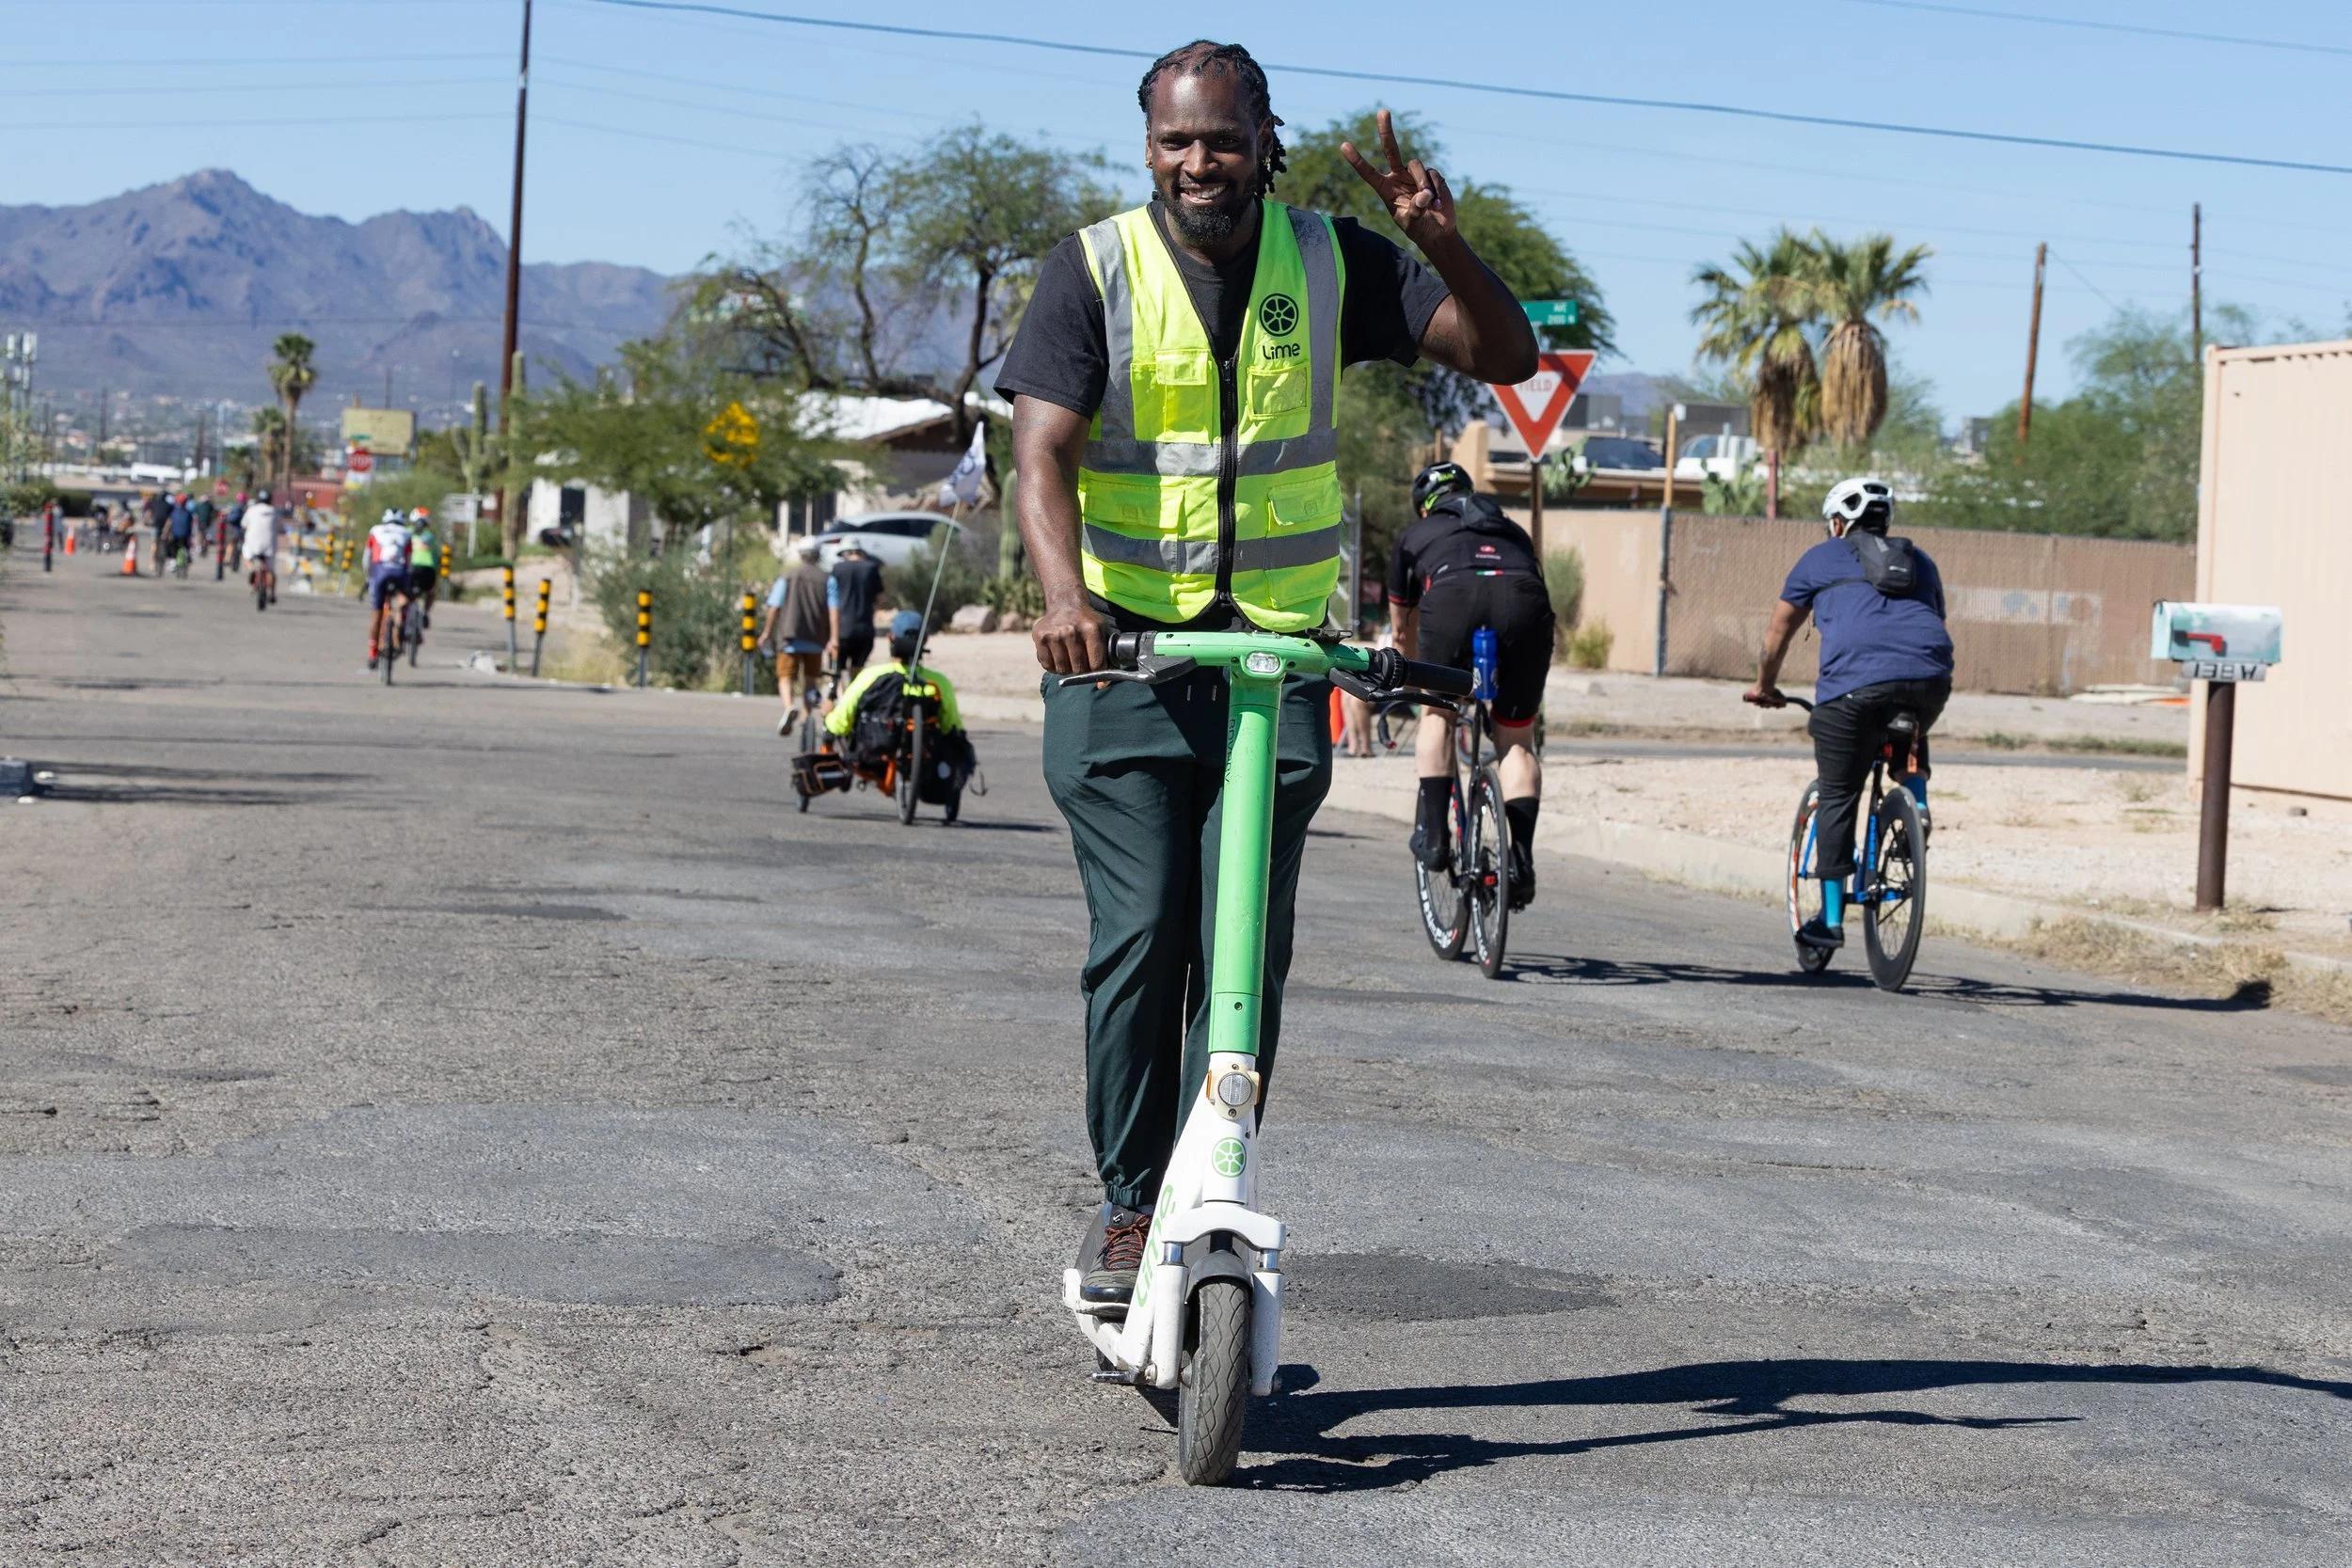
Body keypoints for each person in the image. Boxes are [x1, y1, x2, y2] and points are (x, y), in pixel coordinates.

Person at [998, 39, 1538, 1307]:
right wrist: (1065, 599)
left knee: (1243, 943)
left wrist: (1442, 243)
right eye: (1178, 140)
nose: (1201, 162)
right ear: (1149, 148)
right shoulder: (1092, 271)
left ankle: (1210, 1171)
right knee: (1143, 934)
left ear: (1263, 142)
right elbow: (1041, 457)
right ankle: (1134, 1205)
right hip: (1127, 654)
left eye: (1224, 139)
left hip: (1276, 661)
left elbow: (1505, 355)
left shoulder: (1331, 257)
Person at [1744, 476, 1954, 949]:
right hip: (1929, 679)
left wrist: (1765, 686)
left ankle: (1831, 921)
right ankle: (1915, 800)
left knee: (1839, 792)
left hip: (1853, 690)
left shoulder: (1820, 557)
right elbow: (1933, 625)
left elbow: (1778, 632)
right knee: (1910, 727)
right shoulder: (1921, 561)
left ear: (1838, 523)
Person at [1388, 460, 1554, 907]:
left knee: (1437, 716)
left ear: (1424, 507)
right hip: (1524, 603)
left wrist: (1412, 684)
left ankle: (1436, 837)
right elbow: (1532, 584)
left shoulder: (1414, 535)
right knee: (1516, 741)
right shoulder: (1511, 528)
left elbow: (1402, 630)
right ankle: (1518, 860)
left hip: (1452, 599)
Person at [822, 609, 967, 754]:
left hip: (874, 754)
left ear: (891, 638)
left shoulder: (870, 676)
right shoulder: (938, 683)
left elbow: (841, 722)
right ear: (924, 641)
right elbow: (952, 727)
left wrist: (828, 719)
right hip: (923, 756)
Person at [762, 538, 833, 736]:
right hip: (816, 639)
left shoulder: (788, 577)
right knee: (810, 680)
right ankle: (806, 716)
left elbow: (774, 607)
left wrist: (767, 632)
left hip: (789, 637)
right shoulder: (827, 579)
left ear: (801, 554)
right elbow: (833, 610)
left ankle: (788, 706)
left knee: (785, 677)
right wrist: (832, 636)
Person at [364, 507, 414, 667]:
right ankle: (400, 630)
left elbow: (367, 559)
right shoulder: (407, 533)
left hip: (380, 573)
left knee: (377, 614)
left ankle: (373, 654)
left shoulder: (375, 530)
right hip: (400, 573)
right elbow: (409, 561)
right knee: (403, 601)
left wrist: (368, 578)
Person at [827, 540, 883, 675]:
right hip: (865, 630)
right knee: (857, 670)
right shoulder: (871, 568)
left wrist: (833, 636)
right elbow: (880, 599)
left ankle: (841, 695)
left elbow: (833, 605)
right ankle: (854, 695)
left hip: (842, 630)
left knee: (836, 672)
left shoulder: (837, 569)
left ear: (846, 553)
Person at [240, 489, 279, 600]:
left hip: (252, 544)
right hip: (269, 546)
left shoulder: (251, 510)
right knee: (271, 570)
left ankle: (252, 568)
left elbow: (243, 524)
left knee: (246, 557)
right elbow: (281, 527)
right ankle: (272, 593)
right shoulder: (274, 511)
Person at [405, 508, 440, 627]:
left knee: (403, 593)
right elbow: (436, 558)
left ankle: (402, 618)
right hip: (428, 570)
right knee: (431, 592)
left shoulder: (405, 533)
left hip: (410, 568)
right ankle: (425, 613)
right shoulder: (430, 536)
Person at [164, 493, 196, 578]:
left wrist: (165, 533)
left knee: (171, 546)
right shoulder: (189, 513)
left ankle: (173, 561)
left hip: (176, 535)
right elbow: (191, 525)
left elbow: (169, 523)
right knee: (187, 547)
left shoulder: (174, 512)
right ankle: (188, 557)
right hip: (186, 536)